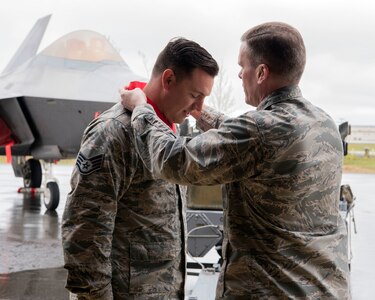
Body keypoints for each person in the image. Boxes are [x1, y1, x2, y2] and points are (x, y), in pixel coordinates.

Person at [121, 22, 350, 299]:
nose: (240, 74)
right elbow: (252, 140)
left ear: (262, 72)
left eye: (243, 66)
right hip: (323, 289)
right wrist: (202, 113)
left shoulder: (260, 130)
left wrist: (142, 110)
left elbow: (173, 160)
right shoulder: (321, 123)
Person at [61, 37, 219, 300]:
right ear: (168, 80)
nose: (198, 108)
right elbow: (85, 228)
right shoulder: (114, 131)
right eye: (195, 95)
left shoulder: (165, 130)